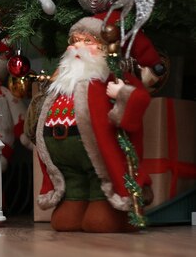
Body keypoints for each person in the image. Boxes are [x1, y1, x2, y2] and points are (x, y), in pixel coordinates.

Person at [34, 14, 153, 233]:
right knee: (66, 216)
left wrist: (122, 93)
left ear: (105, 49)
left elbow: (141, 98)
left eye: (88, 42)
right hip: (66, 161)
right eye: (75, 41)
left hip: (96, 158)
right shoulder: (60, 82)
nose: (77, 47)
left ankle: (105, 203)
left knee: (99, 217)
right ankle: (74, 199)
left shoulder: (109, 77)